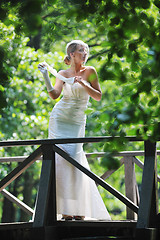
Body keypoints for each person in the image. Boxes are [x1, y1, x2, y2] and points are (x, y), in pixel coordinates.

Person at [38, 40, 111, 221]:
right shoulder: (63, 73)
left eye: (85, 51)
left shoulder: (90, 71)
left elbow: (98, 96)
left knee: (75, 158)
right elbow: (55, 95)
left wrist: (84, 84)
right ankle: (65, 210)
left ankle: (80, 209)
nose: (84, 54)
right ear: (71, 54)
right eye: (81, 51)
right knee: (61, 161)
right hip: (60, 119)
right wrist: (46, 76)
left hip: (77, 120)